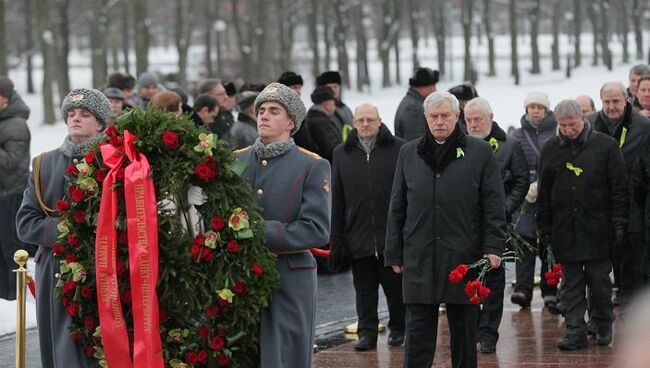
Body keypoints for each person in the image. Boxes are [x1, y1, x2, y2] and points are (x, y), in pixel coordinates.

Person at [385, 91, 506, 368]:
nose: (440, 121)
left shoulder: (479, 152)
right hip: (419, 254)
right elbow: (397, 206)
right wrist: (394, 253)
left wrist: (494, 248)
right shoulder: (409, 152)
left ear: (456, 117)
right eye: (434, 116)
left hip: (463, 253)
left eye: (445, 116)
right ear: (426, 118)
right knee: (417, 331)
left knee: (465, 331)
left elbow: (493, 204)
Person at [235, 82, 331, 368]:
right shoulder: (236, 161)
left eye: (274, 111)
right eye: (261, 110)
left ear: (291, 122)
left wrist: (259, 231)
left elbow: (317, 229)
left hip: (289, 278)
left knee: (285, 357)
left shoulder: (311, 165)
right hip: (241, 277)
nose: (264, 115)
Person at [16, 88, 112, 368]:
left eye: (85, 114)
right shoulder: (43, 164)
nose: (76, 119)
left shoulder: (117, 161)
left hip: (104, 267)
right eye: (71, 114)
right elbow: (25, 223)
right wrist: (69, 229)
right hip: (56, 271)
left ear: (101, 124)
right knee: (62, 349)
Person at [537, 99, 628, 350]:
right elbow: (544, 192)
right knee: (571, 285)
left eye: (573, 124)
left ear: (583, 119)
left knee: (599, 283)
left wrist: (619, 223)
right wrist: (543, 227)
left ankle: (602, 323)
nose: (568, 130)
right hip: (564, 228)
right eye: (563, 125)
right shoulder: (551, 149)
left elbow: (619, 189)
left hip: (598, 227)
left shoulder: (606, 146)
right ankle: (575, 330)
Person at [330, 103, 406, 351]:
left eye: (370, 120)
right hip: (358, 236)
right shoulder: (341, 154)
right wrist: (337, 237)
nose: (365, 124)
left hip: (391, 236)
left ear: (379, 121)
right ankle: (367, 333)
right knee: (364, 291)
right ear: (353, 123)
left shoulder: (399, 149)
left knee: (396, 290)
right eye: (360, 120)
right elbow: (338, 199)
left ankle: (399, 328)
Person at [464, 97, 528, 353]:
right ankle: (473, 327)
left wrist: (504, 208)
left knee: (493, 276)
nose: (472, 124)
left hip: (496, 224)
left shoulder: (509, 145)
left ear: (490, 118)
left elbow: (521, 181)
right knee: (468, 275)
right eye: (468, 120)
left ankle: (489, 332)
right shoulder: (460, 145)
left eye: (477, 119)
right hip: (465, 223)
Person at [588, 81, 650, 309]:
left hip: (633, 206)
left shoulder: (643, 127)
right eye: (607, 102)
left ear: (626, 100)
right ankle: (598, 318)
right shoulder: (590, 125)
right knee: (598, 269)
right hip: (599, 207)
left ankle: (631, 313)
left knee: (631, 265)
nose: (612, 106)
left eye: (616, 101)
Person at [511, 91, 559, 309]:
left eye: (540, 107)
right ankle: (523, 289)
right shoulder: (517, 136)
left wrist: (542, 184)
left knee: (549, 243)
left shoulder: (557, 133)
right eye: (532, 107)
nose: (536, 111)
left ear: (546, 109)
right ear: (526, 109)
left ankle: (550, 290)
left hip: (550, 193)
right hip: (525, 196)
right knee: (524, 241)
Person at [0, 76, 33, 301]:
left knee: (10, 251)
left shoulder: (16, 124)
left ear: (5, 98)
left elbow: (12, 162)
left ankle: (14, 299)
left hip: (10, 195)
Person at [394, 67, 439, 141]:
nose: (435, 90)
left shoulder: (413, 102)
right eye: (432, 86)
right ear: (422, 86)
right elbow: (416, 143)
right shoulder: (413, 108)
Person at [302, 86, 342, 162]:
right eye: (333, 102)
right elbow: (333, 150)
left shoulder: (313, 119)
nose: (335, 106)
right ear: (327, 105)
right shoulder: (321, 123)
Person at [316, 70, 354, 140]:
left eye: (335, 87)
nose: (333, 90)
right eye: (329, 87)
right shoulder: (316, 110)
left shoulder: (345, 109)